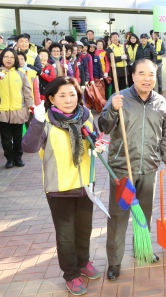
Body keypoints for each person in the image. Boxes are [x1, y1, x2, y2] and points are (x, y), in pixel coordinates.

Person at [22, 76, 101, 295]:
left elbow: (94, 137)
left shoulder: (85, 116)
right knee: (66, 235)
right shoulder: (45, 121)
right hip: (59, 188)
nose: (68, 100)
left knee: (84, 229)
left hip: (85, 183)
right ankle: (71, 274)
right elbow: (28, 147)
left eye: (73, 94)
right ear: (51, 98)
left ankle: (83, 262)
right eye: (62, 95)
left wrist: (98, 143)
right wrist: (37, 120)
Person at [98, 59, 166, 280]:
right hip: (123, 171)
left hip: (149, 168)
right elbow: (103, 127)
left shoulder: (160, 102)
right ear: (133, 76)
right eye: (141, 73)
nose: (147, 78)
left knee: (144, 214)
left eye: (151, 74)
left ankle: (142, 249)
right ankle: (114, 261)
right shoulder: (120, 99)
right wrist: (113, 109)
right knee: (119, 216)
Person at [0, 48, 34, 169]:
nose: (9, 59)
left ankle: (18, 157)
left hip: (18, 110)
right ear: (2, 58)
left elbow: (27, 91)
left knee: (18, 137)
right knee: (5, 139)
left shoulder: (20, 73)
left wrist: (30, 106)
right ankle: (9, 159)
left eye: (11, 57)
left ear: (15, 59)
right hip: (1, 110)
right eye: (6, 56)